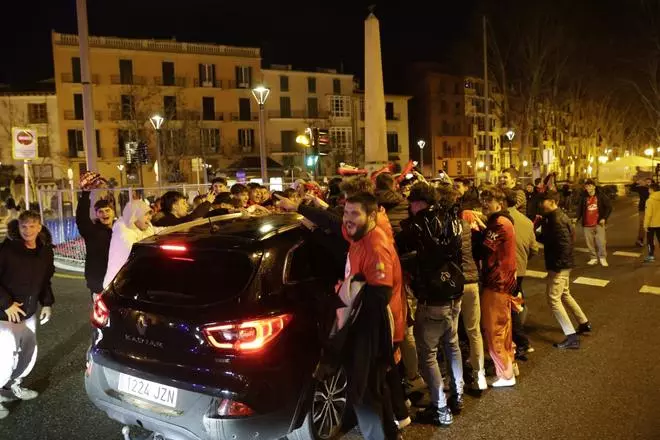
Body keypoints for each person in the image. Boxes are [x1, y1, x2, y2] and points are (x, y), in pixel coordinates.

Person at [396, 182, 465, 425]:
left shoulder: (416, 226)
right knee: (452, 346)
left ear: (417, 203)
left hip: (432, 296)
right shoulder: (451, 219)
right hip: (454, 291)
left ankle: (440, 408)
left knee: (429, 355)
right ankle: (457, 396)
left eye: (411, 202)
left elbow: (400, 250)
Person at [0, 211, 54, 418]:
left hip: (29, 313)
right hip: (5, 315)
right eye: (24, 226)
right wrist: (6, 304)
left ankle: (14, 385)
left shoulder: (44, 252)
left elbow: (45, 281)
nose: (28, 231)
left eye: (32, 226)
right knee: (4, 356)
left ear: (39, 227)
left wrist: (47, 304)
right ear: (18, 227)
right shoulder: (7, 250)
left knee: (28, 352)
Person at [476, 187, 519, 387]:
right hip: (503, 281)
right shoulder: (503, 221)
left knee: (493, 328)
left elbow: (484, 248)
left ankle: (505, 374)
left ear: (499, 204)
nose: (484, 204)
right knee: (504, 326)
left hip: (497, 281)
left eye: (489, 200)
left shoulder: (499, 224)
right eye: (483, 199)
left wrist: (475, 230)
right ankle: (510, 364)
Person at [538, 190, 591, 349]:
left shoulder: (557, 220)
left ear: (553, 202)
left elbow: (564, 245)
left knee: (553, 299)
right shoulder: (554, 217)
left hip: (560, 265)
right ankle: (583, 323)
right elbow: (550, 239)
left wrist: (558, 268)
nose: (541, 204)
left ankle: (571, 337)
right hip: (563, 264)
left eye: (544, 201)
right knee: (565, 294)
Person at [505, 190, 539, 357]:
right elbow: (534, 248)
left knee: (510, 307)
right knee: (517, 302)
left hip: (507, 270)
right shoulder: (526, 221)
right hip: (521, 269)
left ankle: (522, 342)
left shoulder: (502, 220)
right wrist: (524, 260)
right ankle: (520, 338)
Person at [103, 200, 163, 288]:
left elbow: (160, 230)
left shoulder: (144, 227)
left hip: (130, 283)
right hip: (117, 286)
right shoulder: (123, 232)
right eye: (146, 214)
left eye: (150, 214)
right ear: (135, 216)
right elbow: (138, 255)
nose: (150, 217)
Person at [76, 177, 115, 300]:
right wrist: (86, 193)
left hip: (117, 281)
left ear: (113, 212)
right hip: (99, 283)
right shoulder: (92, 231)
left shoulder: (120, 230)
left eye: (107, 210)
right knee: (101, 316)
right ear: (97, 214)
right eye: (100, 212)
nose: (105, 214)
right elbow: (81, 218)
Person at [576, 179, 612, 267]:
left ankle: (602, 257)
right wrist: (576, 219)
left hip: (598, 223)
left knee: (601, 241)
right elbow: (579, 209)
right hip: (587, 223)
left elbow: (609, 207)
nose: (588, 188)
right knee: (589, 242)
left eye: (590, 186)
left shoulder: (601, 196)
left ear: (594, 187)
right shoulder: (583, 197)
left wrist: (604, 218)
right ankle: (593, 258)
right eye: (587, 186)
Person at [631, 178, 653, 247]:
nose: (647, 183)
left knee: (652, 225)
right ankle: (640, 240)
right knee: (642, 225)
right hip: (643, 209)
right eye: (646, 182)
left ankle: (651, 241)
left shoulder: (655, 189)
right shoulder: (642, 188)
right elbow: (632, 188)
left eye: (649, 182)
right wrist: (636, 182)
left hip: (653, 209)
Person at [644, 183, 660, 262]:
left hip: (651, 224)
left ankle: (651, 256)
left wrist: (645, 225)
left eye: (649, 189)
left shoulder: (650, 200)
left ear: (652, 190)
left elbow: (648, 214)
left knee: (650, 241)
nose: (648, 190)